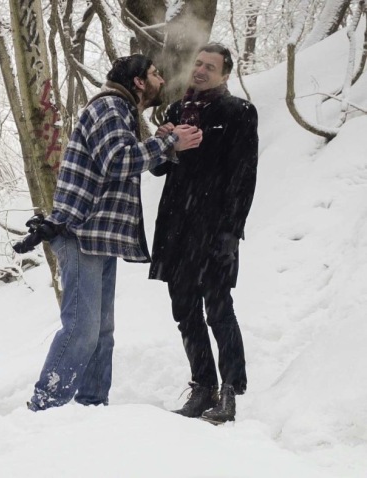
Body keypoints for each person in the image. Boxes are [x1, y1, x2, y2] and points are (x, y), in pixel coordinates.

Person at [18, 54, 203, 411]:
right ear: (138, 82)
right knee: (82, 330)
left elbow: (128, 156)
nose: (162, 80)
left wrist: (164, 141)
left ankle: (92, 407)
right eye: (155, 74)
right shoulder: (109, 107)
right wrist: (169, 143)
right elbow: (117, 161)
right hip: (81, 233)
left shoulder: (123, 112)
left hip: (99, 238)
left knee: (101, 334)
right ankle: (44, 408)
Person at [149, 43, 259, 423]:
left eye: (210, 67)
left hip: (214, 228)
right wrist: (164, 143)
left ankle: (229, 391)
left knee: (218, 309)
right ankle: (203, 388)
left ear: (225, 74)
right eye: (198, 63)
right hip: (176, 228)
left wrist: (231, 231)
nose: (200, 70)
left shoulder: (238, 112)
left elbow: (244, 176)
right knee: (184, 311)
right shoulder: (177, 111)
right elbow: (158, 169)